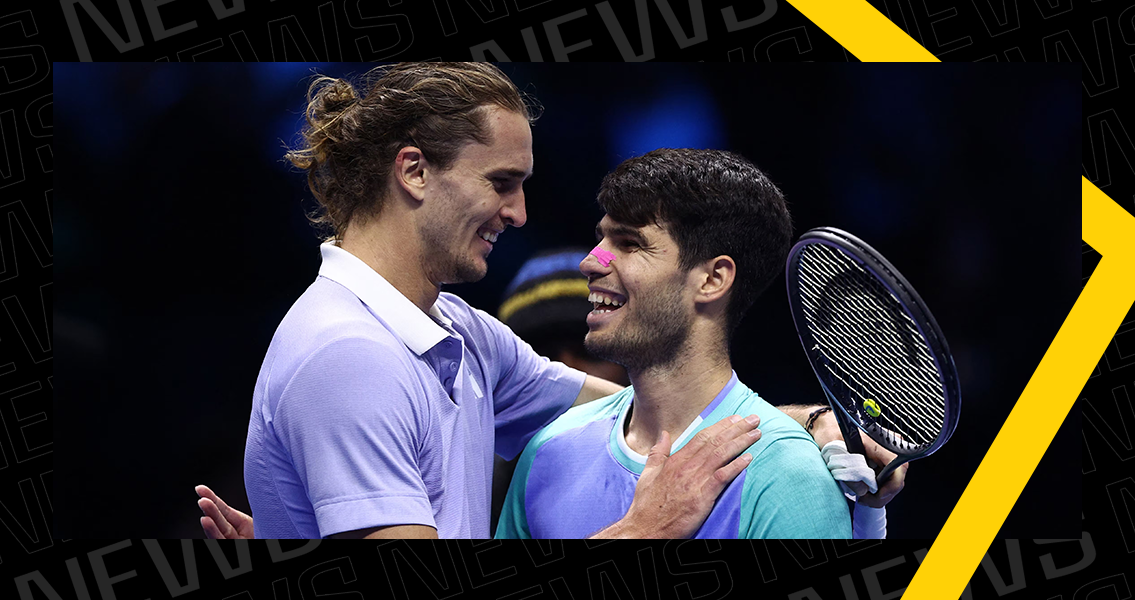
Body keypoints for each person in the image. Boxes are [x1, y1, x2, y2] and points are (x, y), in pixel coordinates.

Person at [202, 63, 765, 539]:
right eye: (501, 182)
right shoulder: (350, 356)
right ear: (415, 171)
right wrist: (640, 530)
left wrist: (800, 424)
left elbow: (650, 407)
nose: (518, 212)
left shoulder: (462, 333)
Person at [494, 148, 905, 539]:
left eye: (629, 243)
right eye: (602, 239)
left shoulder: (789, 473)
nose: (590, 261)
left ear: (712, 279)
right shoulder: (547, 451)